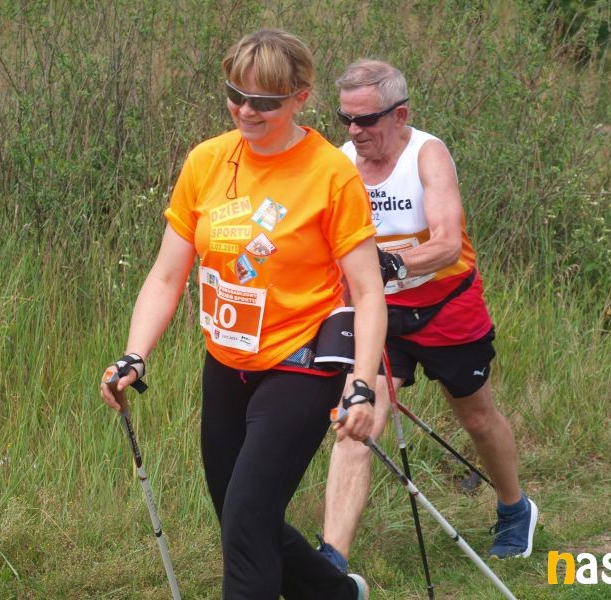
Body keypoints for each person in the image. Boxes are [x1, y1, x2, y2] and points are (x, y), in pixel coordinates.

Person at [100, 30, 385, 600]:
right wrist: (134, 354)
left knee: (248, 518)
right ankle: (336, 594)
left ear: (301, 97)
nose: (246, 111)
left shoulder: (331, 173)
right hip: (227, 363)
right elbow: (166, 274)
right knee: (238, 512)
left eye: (264, 102)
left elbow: (368, 289)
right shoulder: (207, 160)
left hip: (300, 364)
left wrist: (361, 384)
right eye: (236, 95)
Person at [319, 59, 537, 573]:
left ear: (400, 115)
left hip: (446, 306)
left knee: (476, 416)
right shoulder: (341, 162)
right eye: (345, 118)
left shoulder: (427, 155)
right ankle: (331, 564)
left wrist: (391, 263)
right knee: (357, 419)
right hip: (380, 314)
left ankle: (514, 508)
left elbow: (445, 244)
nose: (354, 131)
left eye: (365, 120)